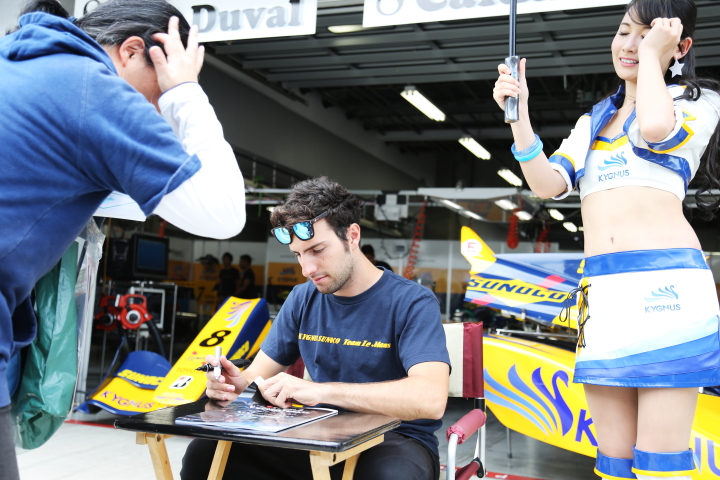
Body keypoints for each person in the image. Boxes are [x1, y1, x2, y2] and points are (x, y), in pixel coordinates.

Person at [0, 0, 247, 477]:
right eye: (159, 90)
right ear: (133, 51)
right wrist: (187, 94)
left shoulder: (21, 64)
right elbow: (224, 213)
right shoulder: (94, 90)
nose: (155, 111)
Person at [493, 1, 720, 479]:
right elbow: (547, 184)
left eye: (647, 34)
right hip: (603, 298)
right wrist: (519, 113)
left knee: (660, 464)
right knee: (612, 461)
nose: (630, 44)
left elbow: (655, 130)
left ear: (680, 46)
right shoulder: (594, 120)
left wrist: (654, 57)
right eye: (623, 32)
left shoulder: (698, 102)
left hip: (668, 295)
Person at [181, 177, 450, 480]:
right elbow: (255, 376)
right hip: (318, 435)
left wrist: (319, 391)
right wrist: (232, 385)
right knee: (204, 454)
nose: (306, 269)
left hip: (393, 440)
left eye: (317, 249)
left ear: (352, 235)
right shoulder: (302, 298)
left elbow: (430, 399)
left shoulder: (412, 302)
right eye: (298, 255)